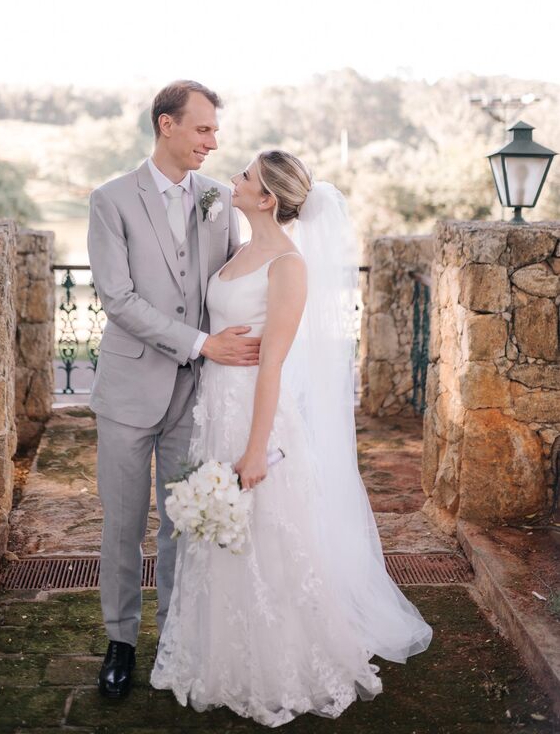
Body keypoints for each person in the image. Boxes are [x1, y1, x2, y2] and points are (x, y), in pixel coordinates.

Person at [151, 149, 433, 727]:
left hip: (256, 415)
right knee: (220, 534)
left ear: (268, 198)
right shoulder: (239, 248)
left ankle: (276, 663)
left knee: (265, 539)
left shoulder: (287, 265)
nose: (234, 178)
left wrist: (256, 449)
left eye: (246, 175)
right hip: (214, 407)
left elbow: (273, 363)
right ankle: (216, 656)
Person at [87, 79, 261, 699]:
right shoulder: (110, 200)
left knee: (187, 520)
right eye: (203, 129)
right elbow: (118, 299)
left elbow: (232, 279)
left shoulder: (220, 198)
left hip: (201, 395)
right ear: (167, 125)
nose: (213, 143)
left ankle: (181, 637)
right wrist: (199, 343)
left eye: (214, 130)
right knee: (124, 523)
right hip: (132, 390)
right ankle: (121, 641)